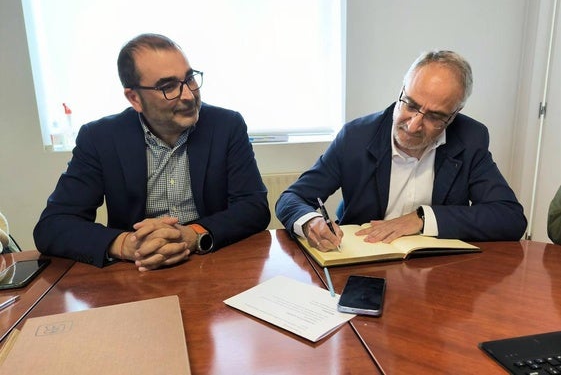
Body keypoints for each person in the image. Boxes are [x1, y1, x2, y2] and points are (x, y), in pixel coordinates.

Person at [34, 33, 270, 270]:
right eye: (168, 87)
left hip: (209, 264)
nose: (188, 95)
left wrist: (193, 234)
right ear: (134, 98)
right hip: (136, 271)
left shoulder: (226, 125)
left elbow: (254, 207)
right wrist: (126, 244)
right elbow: (53, 225)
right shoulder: (100, 138)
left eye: (190, 79)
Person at [276, 50, 527, 251]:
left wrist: (422, 219)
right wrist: (311, 222)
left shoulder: (470, 138)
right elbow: (291, 199)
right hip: (365, 265)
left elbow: (510, 218)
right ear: (401, 92)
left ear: (453, 116)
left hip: (439, 271)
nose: (414, 124)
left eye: (435, 116)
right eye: (410, 104)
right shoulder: (356, 137)